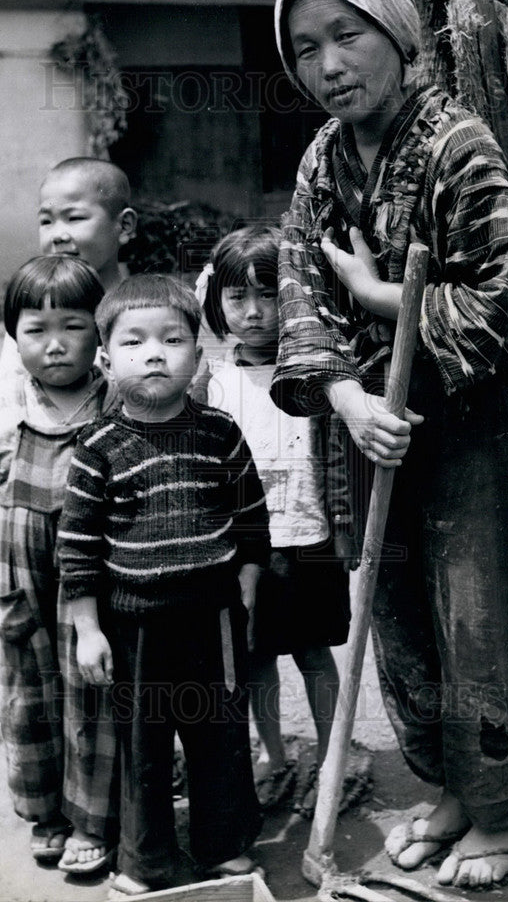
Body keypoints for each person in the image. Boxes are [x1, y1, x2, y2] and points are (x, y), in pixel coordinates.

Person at [271, 0, 508, 889]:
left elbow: (504, 306)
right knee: (398, 622)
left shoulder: (458, 145)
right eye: (306, 48)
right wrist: (351, 400)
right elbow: (299, 290)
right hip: (373, 431)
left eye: (346, 36)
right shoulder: (323, 159)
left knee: (478, 616)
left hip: (471, 427)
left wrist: (384, 293)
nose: (328, 66)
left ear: (397, 33)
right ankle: (449, 790)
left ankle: (506, 813)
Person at [55, 274, 269, 898]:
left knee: (219, 737)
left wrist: (249, 581)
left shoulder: (219, 433)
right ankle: (144, 861)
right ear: (105, 359)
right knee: (143, 748)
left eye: (173, 339)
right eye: (135, 342)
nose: (154, 353)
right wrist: (89, 630)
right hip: (136, 627)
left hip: (214, 619)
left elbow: (252, 518)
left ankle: (222, 845)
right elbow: (78, 550)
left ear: (199, 358)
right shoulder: (97, 448)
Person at [0, 255, 118, 864]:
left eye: (73, 326)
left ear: (99, 330)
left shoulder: (115, 403)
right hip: (20, 573)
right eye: (36, 330)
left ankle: (92, 822)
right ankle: (44, 812)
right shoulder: (0, 409)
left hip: (94, 578)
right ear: (12, 335)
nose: (55, 345)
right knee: (30, 694)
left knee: (93, 692)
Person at [196, 225, 356, 816]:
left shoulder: (318, 375)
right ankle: (273, 755)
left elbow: (343, 459)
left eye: (270, 295)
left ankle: (330, 750)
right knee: (256, 655)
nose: (255, 313)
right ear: (217, 302)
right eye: (238, 298)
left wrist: (346, 529)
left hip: (310, 536)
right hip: (246, 549)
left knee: (314, 650)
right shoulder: (213, 382)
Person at [0, 157, 137, 384]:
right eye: (46, 221)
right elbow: (10, 389)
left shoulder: (142, 307)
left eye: (75, 218)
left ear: (124, 225)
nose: (58, 235)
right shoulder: (34, 311)